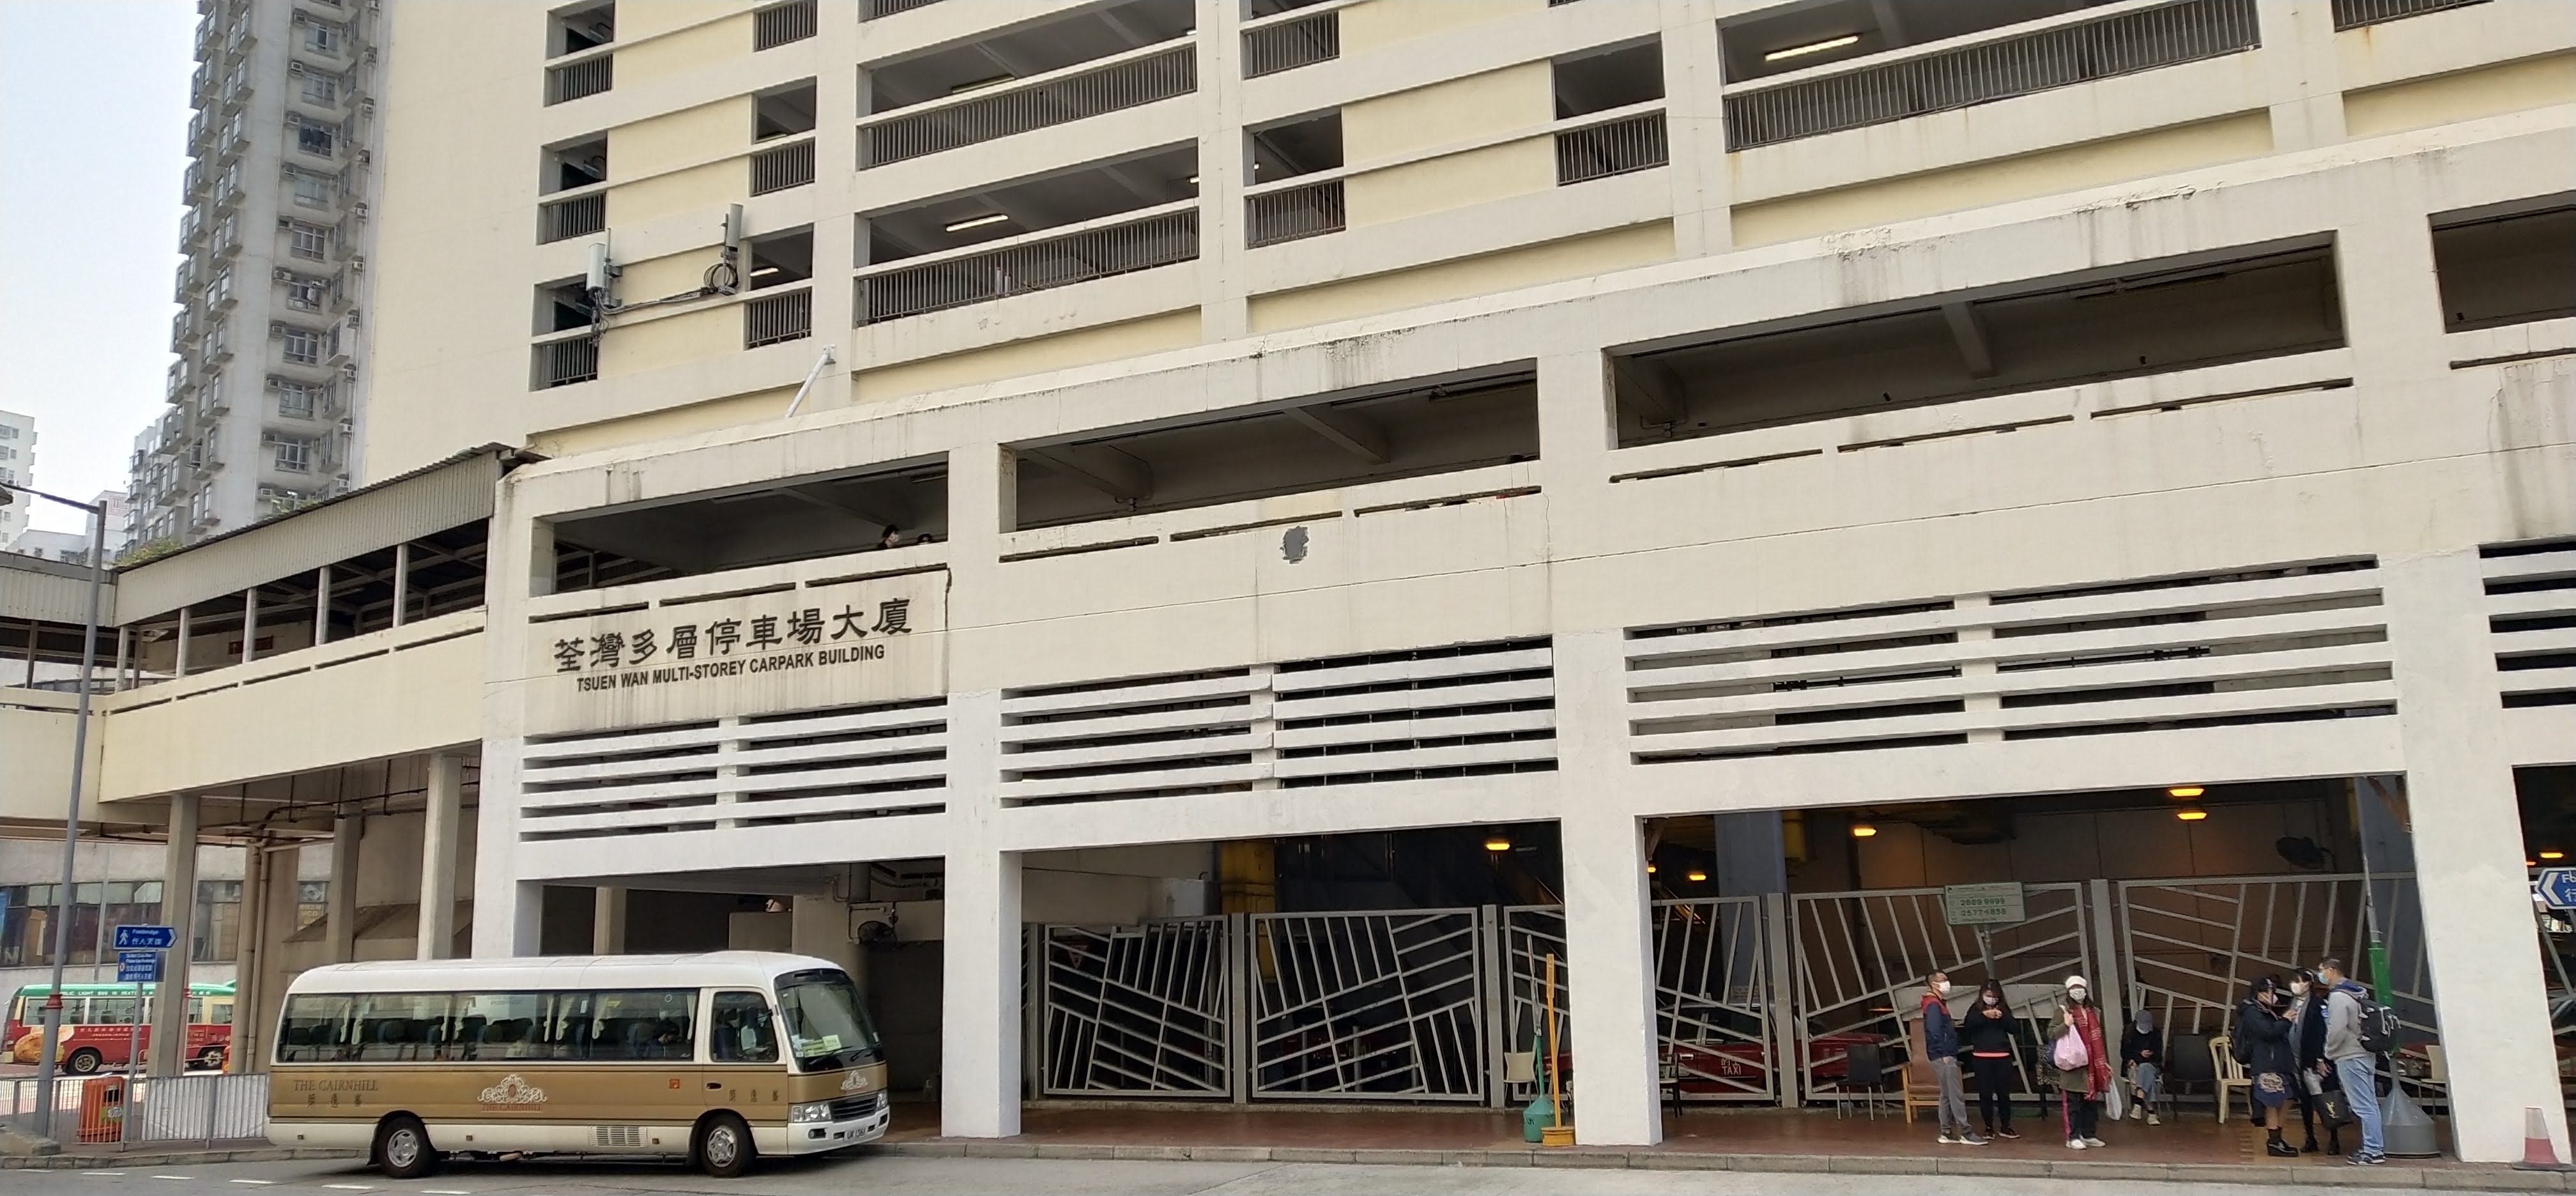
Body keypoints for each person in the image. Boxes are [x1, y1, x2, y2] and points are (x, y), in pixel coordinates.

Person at [2317, 957, 2386, 1165]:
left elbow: (2336, 1029)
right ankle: (2373, 1148)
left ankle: (2373, 1151)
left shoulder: (2338, 997)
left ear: (2331, 970)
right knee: (2370, 1104)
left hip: (2349, 1056)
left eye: (2322, 971)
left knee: (2363, 1106)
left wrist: (2328, 1051)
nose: (2320, 975)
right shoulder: (2357, 992)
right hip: (2364, 1054)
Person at [2235, 976, 2301, 1157]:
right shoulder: (2251, 1011)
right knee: (2272, 1101)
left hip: (2278, 1062)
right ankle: (2274, 1141)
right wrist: (2285, 1020)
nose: (2270, 996)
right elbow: (2267, 1032)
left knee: (2288, 1098)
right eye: (2267, 992)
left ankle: (2277, 1137)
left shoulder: (2265, 1010)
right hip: (2266, 1063)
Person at [2048, 975, 2112, 1149]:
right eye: (2074, 989)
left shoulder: (2094, 1012)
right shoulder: (2063, 1011)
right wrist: (2067, 1025)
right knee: (2073, 1104)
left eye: (2080, 988)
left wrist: (2104, 1063)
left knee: (2090, 1104)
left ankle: (2089, 1134)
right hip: (2073, 1065)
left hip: (2092, 1065)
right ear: (2069, 992)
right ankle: (2073, 1136)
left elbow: (2098, 1040)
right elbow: (2052, 1034)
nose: (2078, 992)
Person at [1920, 971, 1984, 1145]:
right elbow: (1935, 1031)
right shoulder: (1934, 1004)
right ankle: (1965, 1131)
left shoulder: (1934, 1003)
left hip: (1940, 1053)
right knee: (1955, 1093)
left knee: (1947, 1094)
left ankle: (1946, 1132)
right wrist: (1945, 1053)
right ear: (1934, 984)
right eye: (1943, 980)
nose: (1947, 983)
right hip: (1944, 1055)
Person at [1961, 979, 2023, 1140]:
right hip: (1981, 1057)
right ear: (1982, 995)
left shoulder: (2004, 1009)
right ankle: (1988, 1127)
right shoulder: (1975, 1009)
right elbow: (1968, 1026)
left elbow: (2014, 1028)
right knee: (1985, 1094)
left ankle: (2006, 1126)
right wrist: (1984, 1016)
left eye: (1995, 996)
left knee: (2004, 1094)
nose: (1992, 999)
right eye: (1989, 996)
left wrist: (2002, 1017)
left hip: (2002, 1056)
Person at [2289, 969, 2341, 1156]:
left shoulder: (2318, 1005)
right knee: (2306, 1101)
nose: (2296, 985)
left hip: (2316, 1062)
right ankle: (2310, 1137)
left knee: (2325, 1099)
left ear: (2309, 984)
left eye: (2300, 981)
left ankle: (2334, 1139)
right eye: (2294, 981)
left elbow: (2322, 1033)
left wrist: (2321, 1059)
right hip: (2298, 1060)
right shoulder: (2294, 1004)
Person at [2120, 1006, 2165, 1126]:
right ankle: (2151, 1114)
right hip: (2134, 1065)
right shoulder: (2129, 1032)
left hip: (2151, 1064)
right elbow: (2124, 1052)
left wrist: (2148, 1055)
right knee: (2148, 1079)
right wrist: (2136, 1057)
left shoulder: (2155, 1033)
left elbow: (2158, 1055)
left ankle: (2138, 1103)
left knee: (2146, 1069)